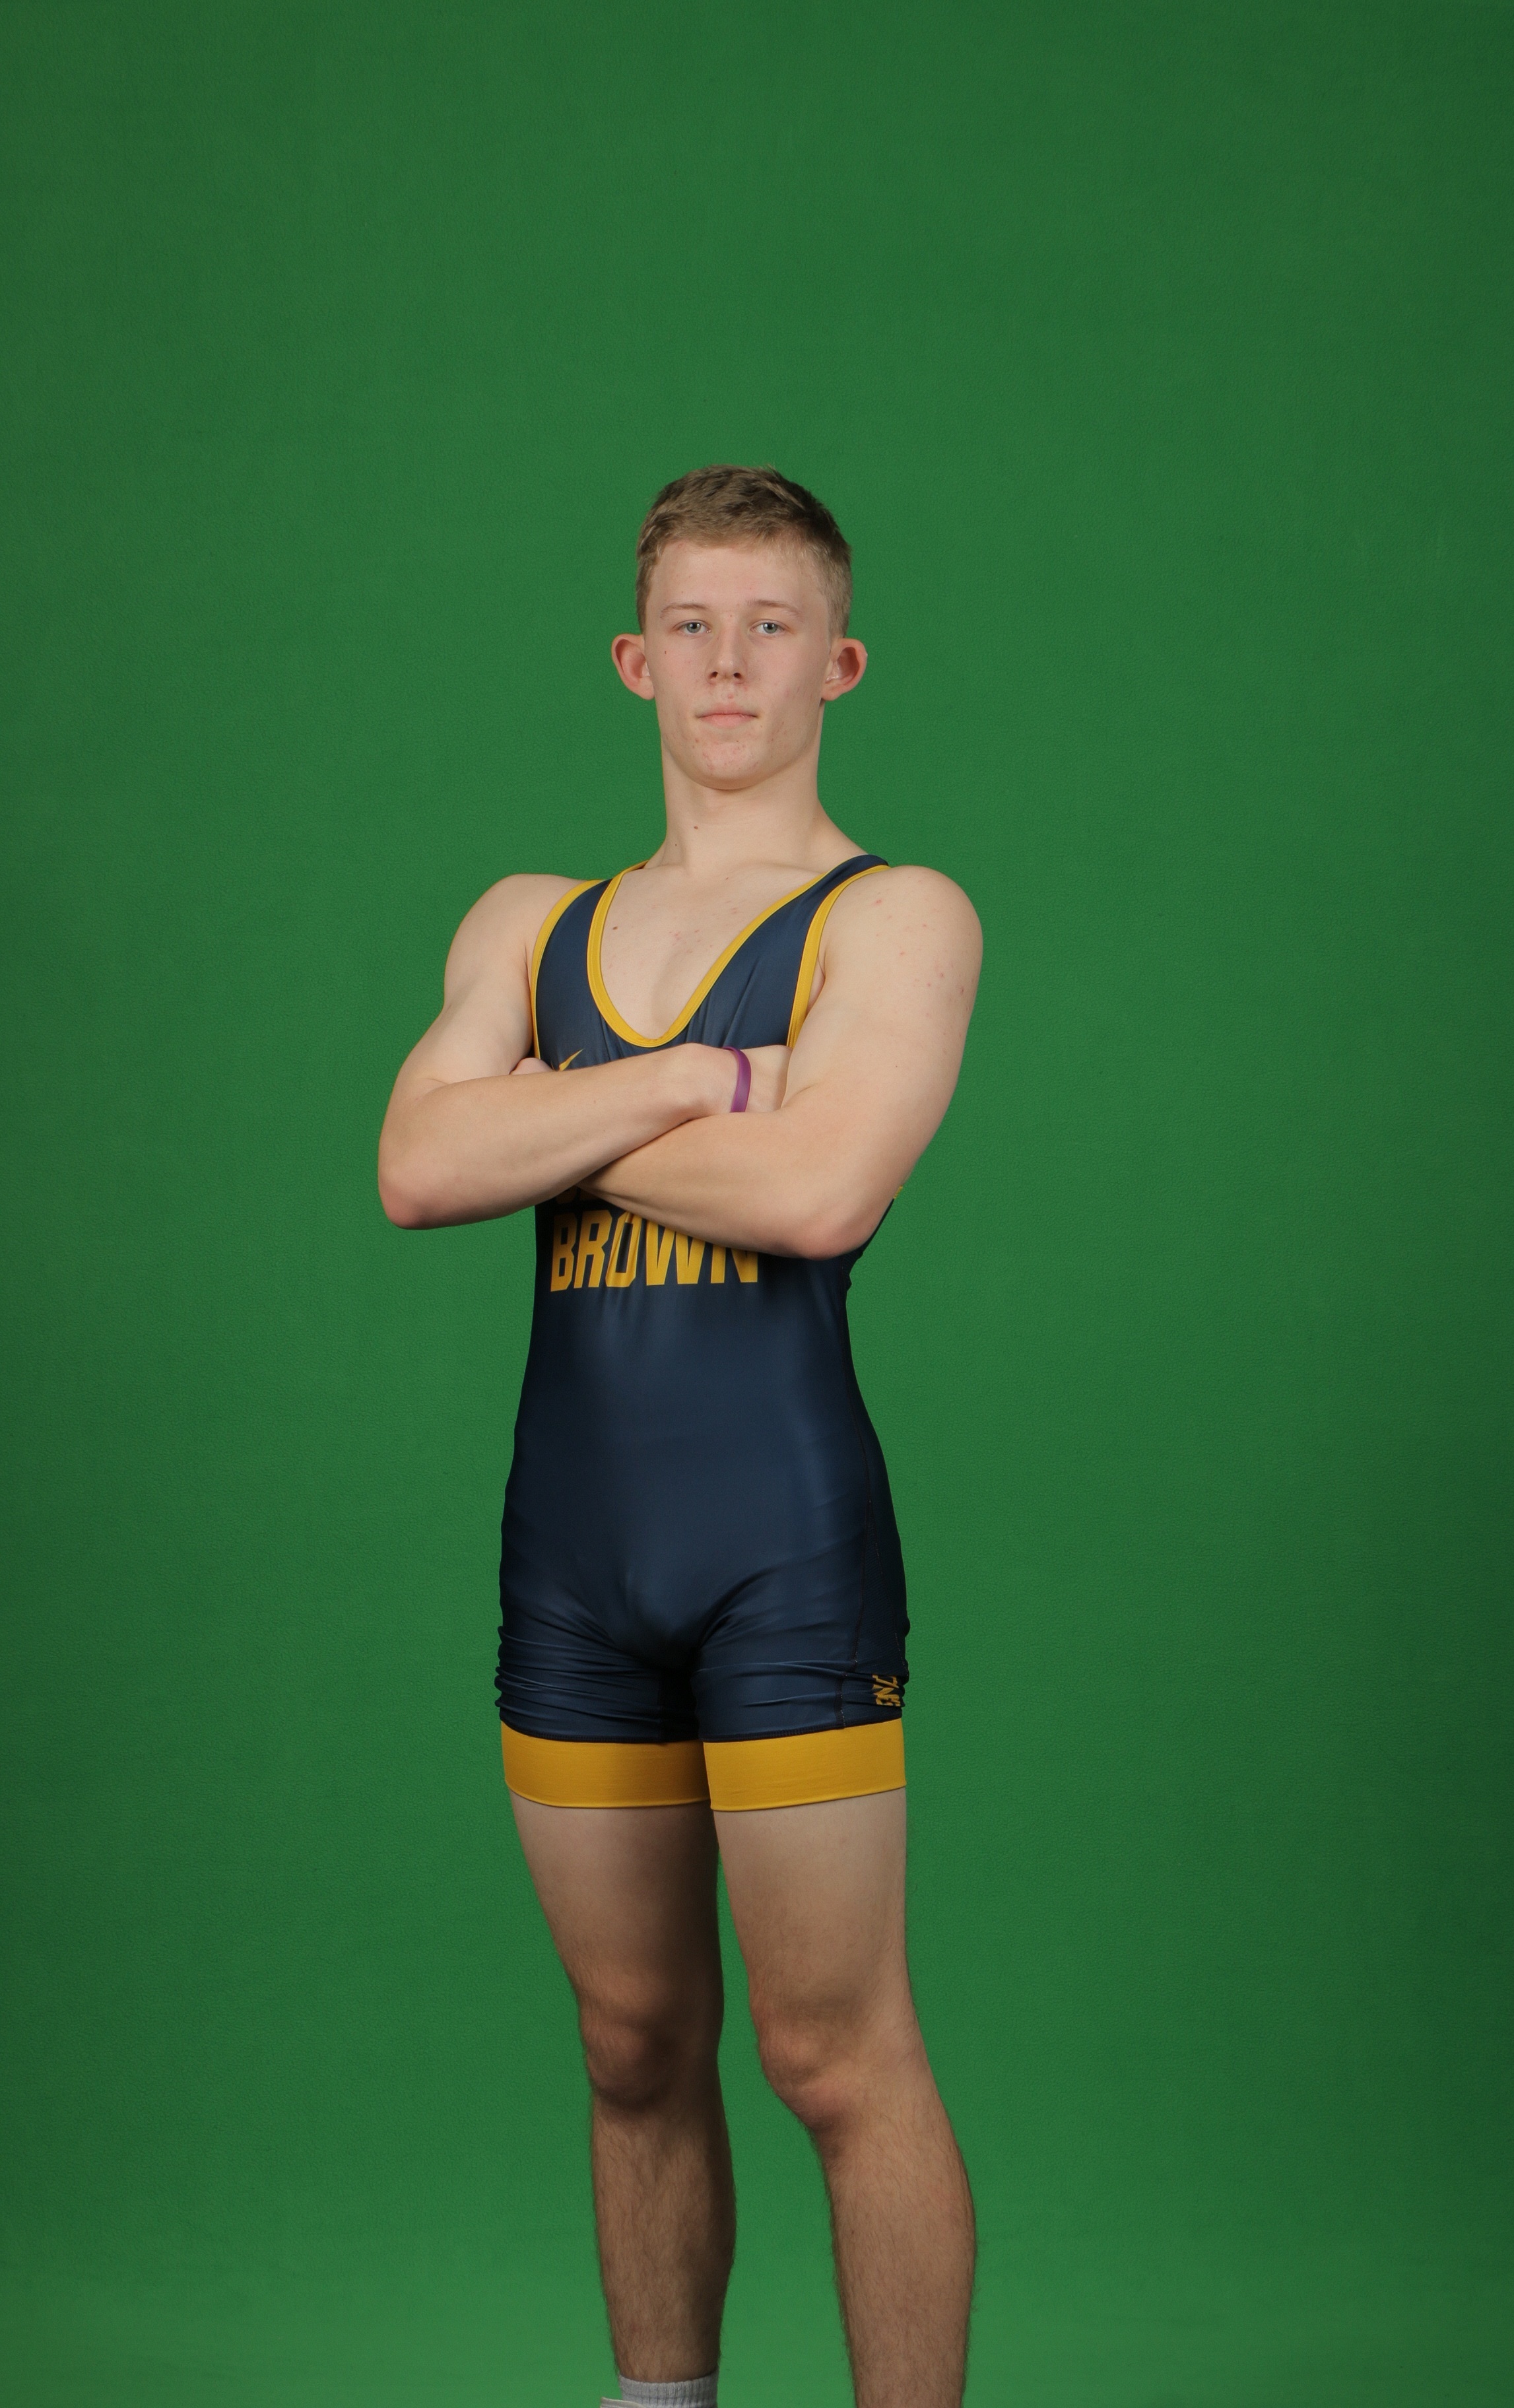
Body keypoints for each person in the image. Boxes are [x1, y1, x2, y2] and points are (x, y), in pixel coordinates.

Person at [378, 464, 982, 2408]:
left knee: (833, 2056)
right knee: (630, 2047)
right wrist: (710, 1080)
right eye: (694, 628)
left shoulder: (896, 916)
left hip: (781, 1556)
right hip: (571, 1559)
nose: (731, 663)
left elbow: (821, 1192)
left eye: (772, 626)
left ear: (839, 664)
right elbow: (414, 1168)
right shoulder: (525, 920)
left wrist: (552, 1114)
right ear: (636, 663)